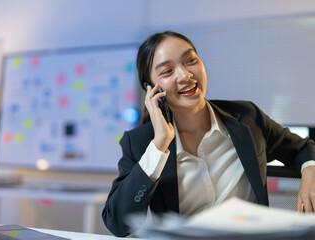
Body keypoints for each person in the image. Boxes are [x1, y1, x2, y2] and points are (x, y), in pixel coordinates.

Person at [102, 31, 315, 237]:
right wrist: (159, 145)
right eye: (167, 71)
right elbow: (118, 224)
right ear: (151, 89)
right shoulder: (141, 143)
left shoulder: (247, 118)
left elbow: (303, 147)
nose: (185, 75)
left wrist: (310, 172)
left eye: (190, 61)